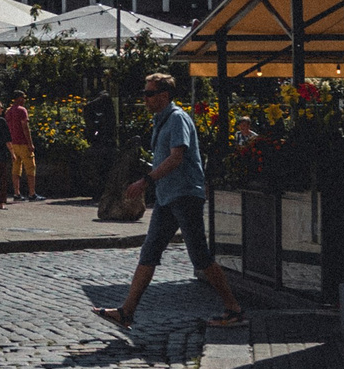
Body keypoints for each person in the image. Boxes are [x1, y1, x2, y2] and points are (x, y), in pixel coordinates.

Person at [92, 73, 245, 334]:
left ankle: (234, 308)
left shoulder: (177, 119)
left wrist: (146, 181)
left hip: (184, 194)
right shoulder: (161, 120)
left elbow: (176, 157)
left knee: (199, 256)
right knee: (149, 252)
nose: (144, 98)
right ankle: (126, 312)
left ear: (164, 95)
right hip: (167, 196)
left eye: (149, 93)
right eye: (144, 93)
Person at [4, 92, 37, 202]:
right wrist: (30, 143)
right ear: (19, 98)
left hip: (13, 143)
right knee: (30, 168)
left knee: (16, 168)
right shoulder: (22, 110)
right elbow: (25, 127)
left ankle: (16, 193)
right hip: (23, 143)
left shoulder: (8, 111)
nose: (24, 100)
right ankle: (32, 193)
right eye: (23, 98)